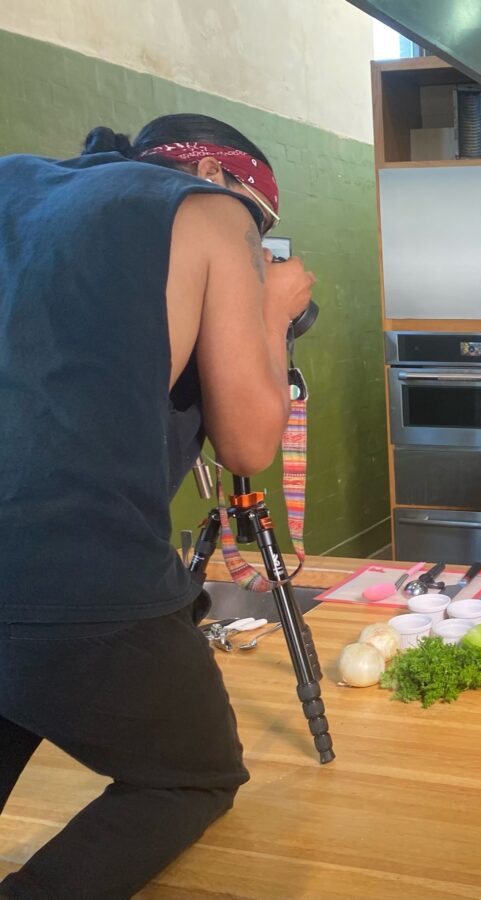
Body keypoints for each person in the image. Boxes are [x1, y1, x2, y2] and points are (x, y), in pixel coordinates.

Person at [0, 113, 314, 898]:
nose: (258, 240)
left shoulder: (16, 180)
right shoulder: (210, 210)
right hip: (76, 555)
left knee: (28, 681)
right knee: (193, 774)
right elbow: (247, 446)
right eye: (262, 224)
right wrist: (269, 312)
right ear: (216, 169)